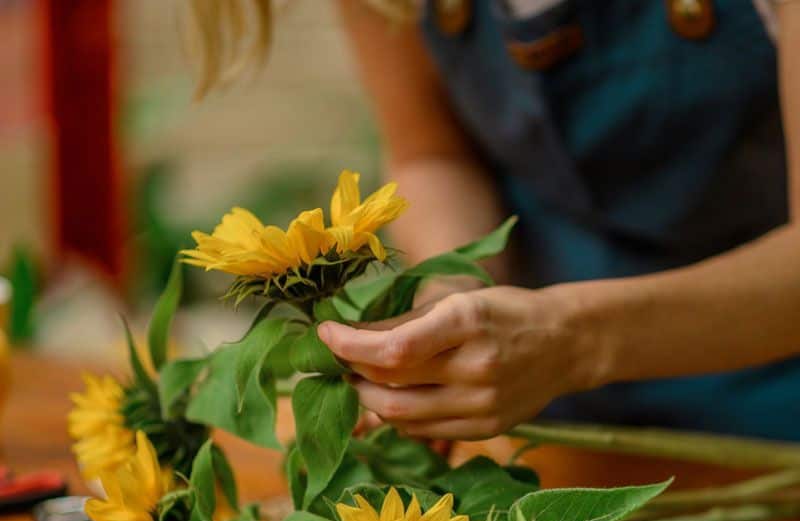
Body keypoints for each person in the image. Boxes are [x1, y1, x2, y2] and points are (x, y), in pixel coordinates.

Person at [193, 0, 800, 442]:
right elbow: (434, 155)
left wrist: (572, 339)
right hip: (555, 429)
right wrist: (451, 292)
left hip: (774, 415)